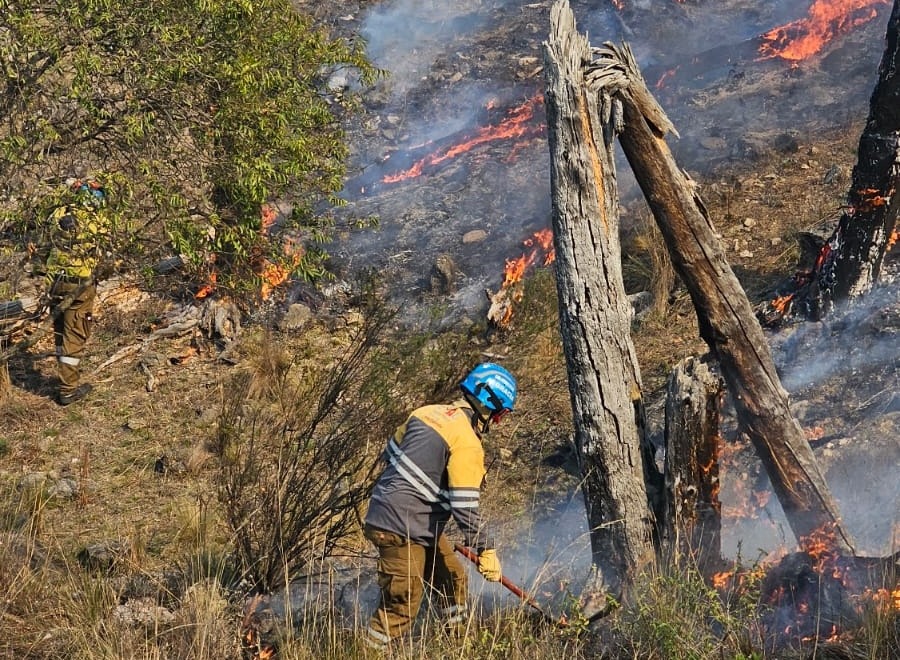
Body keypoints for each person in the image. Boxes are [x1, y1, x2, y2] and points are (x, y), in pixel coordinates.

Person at [362, 363, 517, 651]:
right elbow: (464, 506)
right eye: (499, 415)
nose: (497, 422)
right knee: (402, 605)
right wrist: (486, 549)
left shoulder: (425, 412)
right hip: (402, 528)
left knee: (453, 579)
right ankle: (366, 653)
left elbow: (389, 456)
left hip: (406, 520)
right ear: (488, 405)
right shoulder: (467, 442)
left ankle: (456, 646)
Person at [38, 178, 110, 405]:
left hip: (54, 282)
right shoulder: (96, 219)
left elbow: (43, 248)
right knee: (75, 334)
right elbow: (107, 251)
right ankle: (68, 390)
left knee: (60, 331)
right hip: (79, 284)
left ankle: (64, 376)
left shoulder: (58, 213)